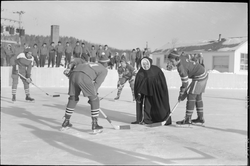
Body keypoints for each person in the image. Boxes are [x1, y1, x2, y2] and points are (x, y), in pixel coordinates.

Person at [61, 51, 110, 133]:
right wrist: (93, 97)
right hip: (84, 77)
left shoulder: (90, 63)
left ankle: (66, 121)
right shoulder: (104, 70)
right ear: (106, 63)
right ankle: (95, 125)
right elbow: (97, 84)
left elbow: (76, 60)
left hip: (73, 74)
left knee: (73, 98)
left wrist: (71, 65)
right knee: (95, 100)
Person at [167, 50, 208, 126]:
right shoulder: (181, 57)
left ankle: (187, 119)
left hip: (200, 77)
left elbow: (185, 83)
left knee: (191, 95)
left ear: (177, 59)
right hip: (202, 73)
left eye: (172, 61)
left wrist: (182, 93)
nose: (171, 63)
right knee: (197, 96)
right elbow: (189, 56)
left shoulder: (181, 68)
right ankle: (200, 118)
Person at [132, 57, 172, 125]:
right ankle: (146, 119)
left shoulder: (156, 70)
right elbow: (138, 85)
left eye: (147, 64)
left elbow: (162, 81)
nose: (145, 66)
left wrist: (160, 89)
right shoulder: (140, 73)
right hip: (147, 93)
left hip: (157, 92)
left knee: (159, 106)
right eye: (143, 64)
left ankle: (163, 119)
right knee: (148, 106)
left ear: (150, 63)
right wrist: (139, 94)